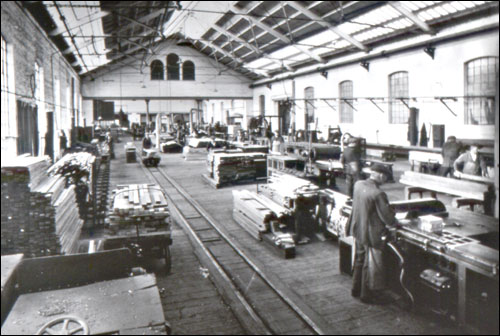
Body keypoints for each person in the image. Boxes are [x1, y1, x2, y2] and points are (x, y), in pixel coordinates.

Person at [346, 163, 397, 304]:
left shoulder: (359, 184)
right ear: (380, 175)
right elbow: (388, 219)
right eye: (386, 177)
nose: (385, 181)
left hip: (358, 229)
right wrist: (394, 218)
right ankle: (366, 295)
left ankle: (355, 289)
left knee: (359, 259)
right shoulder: (378, 193)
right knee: (371, 265)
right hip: (371, 234)